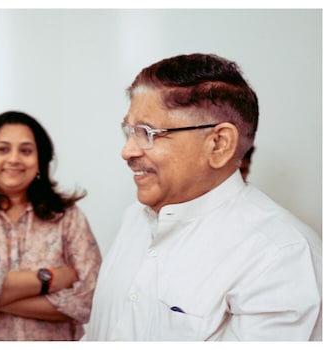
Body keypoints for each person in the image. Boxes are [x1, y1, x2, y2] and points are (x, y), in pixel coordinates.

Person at [83, 53, 322, 341]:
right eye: (130, 131)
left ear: (219, 144)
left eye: (147, 132)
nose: (128, 151)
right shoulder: (134, 217)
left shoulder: (279, 255)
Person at [0, 111, 102, 340]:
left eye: (26, 150)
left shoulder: (68, 218)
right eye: (3, 149)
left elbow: (89, 300)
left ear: (40, 161)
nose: (14, 159)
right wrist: (48, 279)